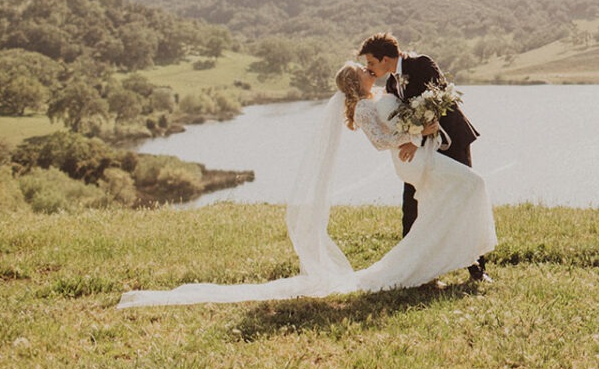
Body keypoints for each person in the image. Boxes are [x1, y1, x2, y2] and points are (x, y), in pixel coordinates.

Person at [115, 62, 496, 308]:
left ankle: (450, 257)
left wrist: (418, 125)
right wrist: (413, 134)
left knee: (461, 193)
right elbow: (382, 141)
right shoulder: (364, 107)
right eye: (363, 70)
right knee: (471, 186)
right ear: (356, 81)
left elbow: (398, 118)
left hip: (420, 156)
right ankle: (450, 258)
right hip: (411, 159)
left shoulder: (381, 94)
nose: (369, 70)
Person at [358, 32, 489, 283]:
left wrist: (414, 139)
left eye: (372, 63)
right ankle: (411, 269)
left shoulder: (421, 65)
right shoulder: (390, 85)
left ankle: (477, 269)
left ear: (385, 59)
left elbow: (438, 104)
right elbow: (401, 120)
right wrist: (410, 140)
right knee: (412, 204)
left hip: (451, 141)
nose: (370, 69)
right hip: (421, 152)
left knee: (465, 197)